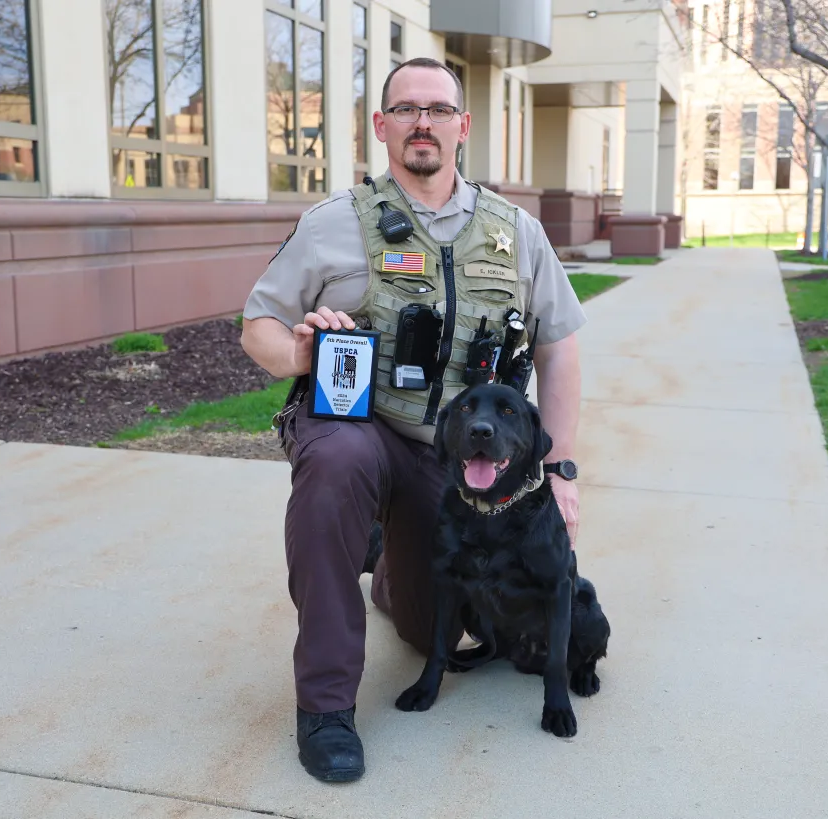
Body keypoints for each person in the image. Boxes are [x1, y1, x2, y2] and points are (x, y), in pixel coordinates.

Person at [240, 57, 586, 783]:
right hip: (357, 429)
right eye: (405, 109)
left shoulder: (516, 232)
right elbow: (257, 326)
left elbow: (559, 343)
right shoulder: (333, 222)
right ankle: (326, 708)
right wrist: (298, 353)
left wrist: (559, 470)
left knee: (441, 622)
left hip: (457, 459)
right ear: (382, 125)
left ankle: (389, 568)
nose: (421, 122)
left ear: (463, 125)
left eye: (437, 109)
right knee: (336, 467)